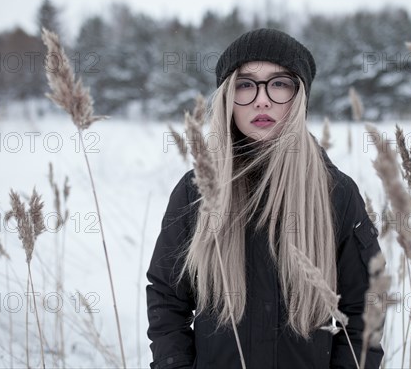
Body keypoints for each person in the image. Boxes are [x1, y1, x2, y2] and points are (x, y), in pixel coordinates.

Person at [146, 28, 384, 369]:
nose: (262, 99)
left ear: (299, 96)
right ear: (228, 97)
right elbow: (167, 296)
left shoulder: (336, 193)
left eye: (279, 83)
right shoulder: (196, 190)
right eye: (245, 84)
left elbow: (364, 308)